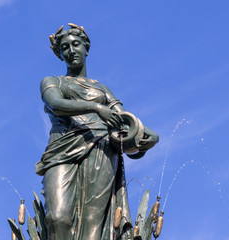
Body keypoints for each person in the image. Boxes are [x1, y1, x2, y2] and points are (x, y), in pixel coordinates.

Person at [35, 23, 158, 240]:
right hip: (62, 152)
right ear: (60, 53)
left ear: (86, 48)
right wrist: (95, 107)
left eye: (76, 45)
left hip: (101, 152)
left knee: (94, 224)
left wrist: (147, 136)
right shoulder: (52, 82)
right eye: (65, 47)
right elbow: (55, 104)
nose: (71, 51)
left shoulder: (101, 89)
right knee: (58, 218)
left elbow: (124, 119)